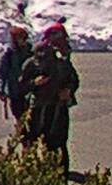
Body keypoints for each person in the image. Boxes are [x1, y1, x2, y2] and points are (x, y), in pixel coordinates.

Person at [19, 22, 79, 175]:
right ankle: (30, 172)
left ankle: (59, 176)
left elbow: (73, 79)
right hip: (37, 106)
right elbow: (21, 85)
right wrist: (34, 83)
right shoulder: (32, 63)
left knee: (58, 142)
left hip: (58, 106)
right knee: (32, 139)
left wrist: (68, 91)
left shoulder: (62, 63)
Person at [0, 25, 33, 124]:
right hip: (14, 92)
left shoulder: (31, 52)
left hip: (29, 90)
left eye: (24, 38)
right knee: (19, 118)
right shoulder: (8, 54)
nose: (23, 40)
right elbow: (2, 74)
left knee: (32, 119)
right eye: (20, 38)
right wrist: (0, 90)